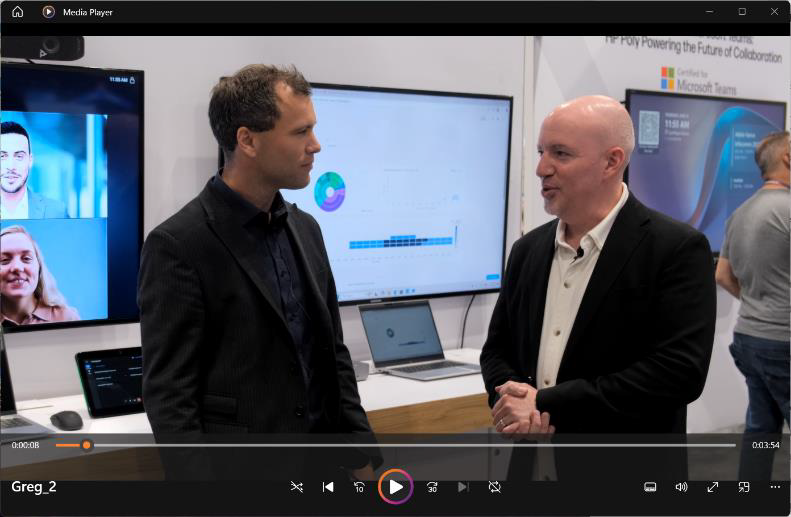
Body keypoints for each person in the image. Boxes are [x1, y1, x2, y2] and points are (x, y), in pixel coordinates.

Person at [138, 64, 378, 480]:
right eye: (301, 132)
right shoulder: (178, 244)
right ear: (247, 140)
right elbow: (170, 397)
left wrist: (361, 455)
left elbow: (333, 355)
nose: (316, 145)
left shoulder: (307, 229)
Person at [480, 95, 716, 478]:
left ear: (612, 161)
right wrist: (511, 400)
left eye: (560, 153)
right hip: (531, 469)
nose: (541, 168)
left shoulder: (675, 249)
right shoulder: (527, 251)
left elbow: (677, 373)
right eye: (541, 152)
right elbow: (497, 349)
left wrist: (546, 404)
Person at [715, 130, 790, 480]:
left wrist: (759, 304)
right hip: (783, 342)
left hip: (749, 337)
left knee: (761, 430)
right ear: (787, 158)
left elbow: (722, 274)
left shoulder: (741, 212)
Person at [0, 225, 80, 326]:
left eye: (26, 258)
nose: (17, 267)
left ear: (39, 267)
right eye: (4, 260)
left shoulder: (67, 318)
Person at [0, 122, 69, 220]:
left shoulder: (57, 212)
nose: (11, 166)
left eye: (19, 156)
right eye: (2, 156)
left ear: (30, 161)